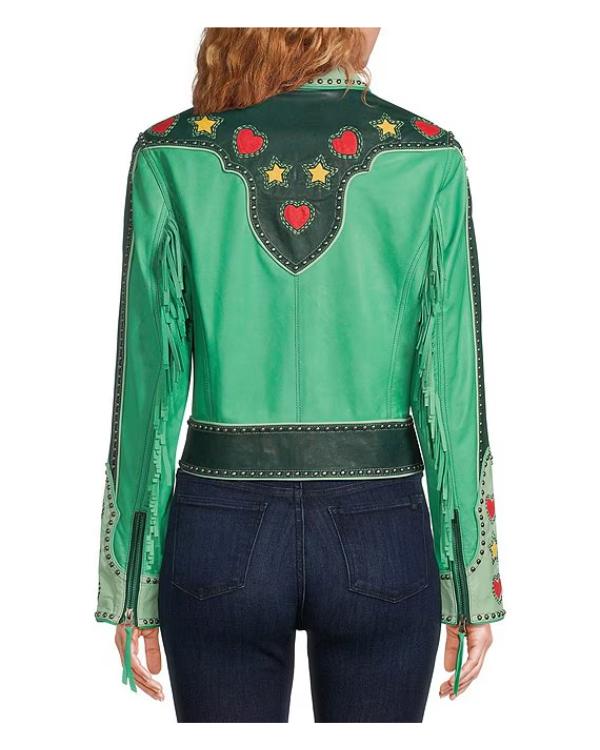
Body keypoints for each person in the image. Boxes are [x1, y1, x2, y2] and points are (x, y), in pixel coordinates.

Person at [94, 26, 506, 722]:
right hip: (380, 526)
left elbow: (150, 385)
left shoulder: (173, 151)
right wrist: (471, 583)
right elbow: (450, 387)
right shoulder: (426, 155)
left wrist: (131, 581)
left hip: (219, 526)